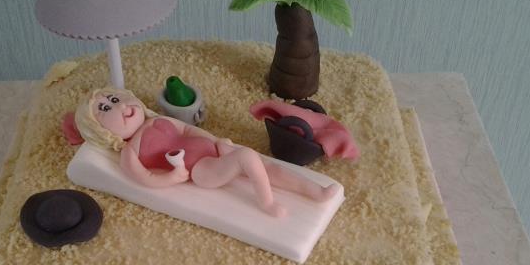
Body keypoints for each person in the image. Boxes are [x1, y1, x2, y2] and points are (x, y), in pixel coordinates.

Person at [74, 87, 339, 217]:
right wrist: (174, 176)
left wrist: (218, 141)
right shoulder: (129, 153)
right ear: (100, 131)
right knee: (247, 158)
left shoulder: (157, 121)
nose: (117, 105)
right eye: (105, 109)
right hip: (201, 170)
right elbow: (146, 179)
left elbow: (190, 132)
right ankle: (266, 202)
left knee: (270, 168)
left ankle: (316, 192)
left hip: (216, 151)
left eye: (114, 98)